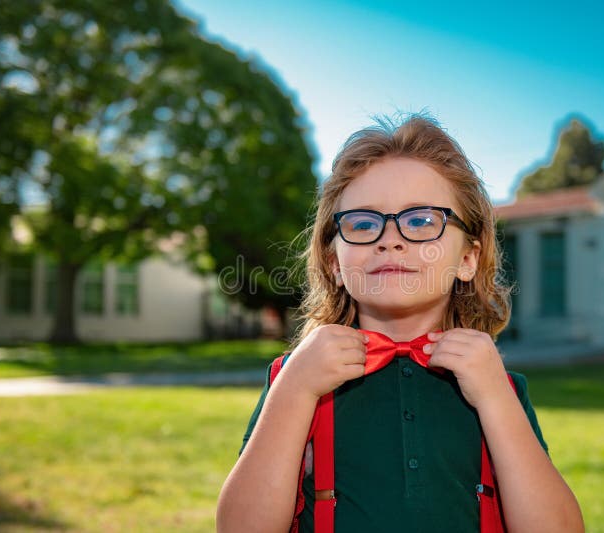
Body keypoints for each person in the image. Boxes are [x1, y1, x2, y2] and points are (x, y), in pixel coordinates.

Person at [216, 115, 584, 532]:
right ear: (335, 262)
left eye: (422, 221)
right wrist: (295, 391)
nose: (390, 239)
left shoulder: (501, 387)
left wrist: (496, 400)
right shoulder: (296, 377)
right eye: (363, 223)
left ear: (468, 259)